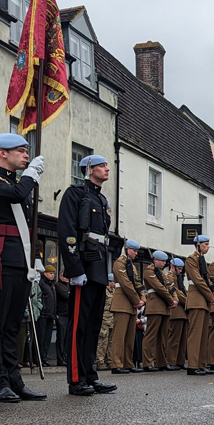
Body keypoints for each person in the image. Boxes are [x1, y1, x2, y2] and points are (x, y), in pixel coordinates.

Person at [0, 132, 47, 403]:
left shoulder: (20, 181)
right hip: (0, 257)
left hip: (21, 258)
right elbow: (16, 195)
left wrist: (34, 261)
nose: (26, 155)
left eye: (27, 151)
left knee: (13, 324)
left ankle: (13, 379)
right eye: (20, 151)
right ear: (2, 153)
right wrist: (30, 174)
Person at [57, 154, 117, 397]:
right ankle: (76, 378)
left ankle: (90, 375)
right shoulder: (76, 194)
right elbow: (67, 232)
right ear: (89, 169)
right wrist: (75, 268)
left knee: (93, 326)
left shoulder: (101, 199)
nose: (107, 168)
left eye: (106, 165)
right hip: (84, 267)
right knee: (78, 326)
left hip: (99, 268)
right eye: (102, 165)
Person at [110, 240, 145, 374]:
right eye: (134, 251)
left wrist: (141, 298)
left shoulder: (133, 266)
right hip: (122, 303)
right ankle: (116, 364)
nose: (136, 253)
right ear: (127, 249)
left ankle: (127, 363)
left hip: (131, 304)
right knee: (119, 336)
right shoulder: (119, 263)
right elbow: (126, 284)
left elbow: (137, 283)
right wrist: (137, 300)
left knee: (130, 336)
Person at [184, 235, 214, 376]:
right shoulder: (191, 259)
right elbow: (198, 280)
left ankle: (201, 364)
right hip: (197, 299)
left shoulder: (203, 260)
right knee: (196, 334)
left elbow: (209, 280)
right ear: (197, 245)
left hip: (203, 300)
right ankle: (192, 365)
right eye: (205, 244)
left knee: (203, 335)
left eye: (208, 244)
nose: (208, 246)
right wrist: (210, 296)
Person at [143, 250, 177, 372]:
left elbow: (170, 287)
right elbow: (159, 287)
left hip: (164, 306)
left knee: (163, 336)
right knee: (151, 335)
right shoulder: (149, 271)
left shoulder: (162, 273)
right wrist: (171, 300)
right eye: (161, 261)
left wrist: (175, 299)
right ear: (155, 260)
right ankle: (147, 362)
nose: (164, 263)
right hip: (155, 306)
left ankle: (161, 361)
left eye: (164, 261)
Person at [37, 264, 57, 366]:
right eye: (50, 273)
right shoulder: (41, 283)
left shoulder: (51, 284)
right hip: (43, 314)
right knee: (41, 337)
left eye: (53, 274)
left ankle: (44, 357)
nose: (52, 275)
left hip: (50, 315)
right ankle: (39, 358)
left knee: (47, 338)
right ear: (45, 273)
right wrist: (42, 309)